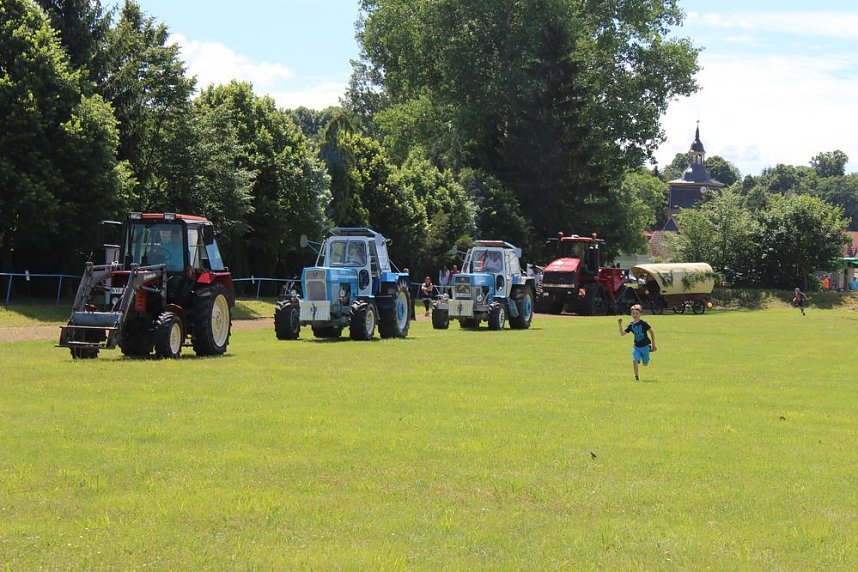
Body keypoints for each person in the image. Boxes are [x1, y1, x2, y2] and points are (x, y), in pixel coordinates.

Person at [618, 304, 657, 381]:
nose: (634, 315)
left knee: (645, 363)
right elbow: (622, 334)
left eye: (636, 313)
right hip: (636, 347)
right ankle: (637, 378)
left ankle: (648, 351)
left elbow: (652, 332)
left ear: (640, 314)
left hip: (645, 346)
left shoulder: (644, 323)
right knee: (634, 360)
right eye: (633, 313)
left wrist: (653, 345)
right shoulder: (631, 325)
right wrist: (620, 324)